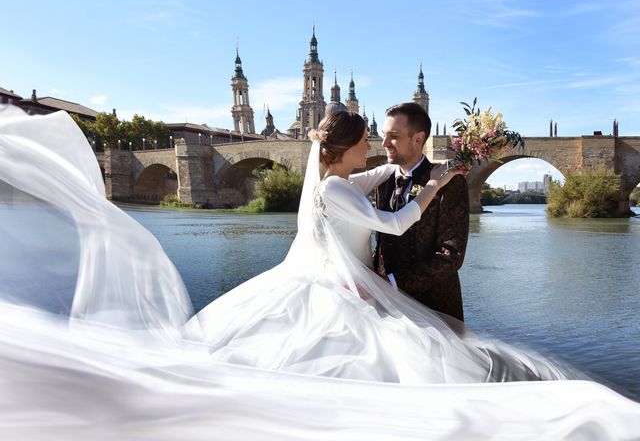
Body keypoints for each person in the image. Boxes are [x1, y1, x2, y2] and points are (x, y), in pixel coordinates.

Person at [1, 105, 640, 440]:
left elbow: (382, 178)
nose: (382, 148)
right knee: (366, 383)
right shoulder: (335, 191)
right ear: (354, 143)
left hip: (380, 295)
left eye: (391, 139)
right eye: (375, 140)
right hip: (354, 296)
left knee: (389, 378)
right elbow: (386, 222)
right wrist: (436, 179)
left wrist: (446, 164)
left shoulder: (346, 178)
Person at [374, 102, 469, 322]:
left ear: (418, 139)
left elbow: (451, 255)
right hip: (386, 309)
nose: (384, 143)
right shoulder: (382, 181)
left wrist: (394, 283)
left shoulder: (448, 181)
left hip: (435, 309)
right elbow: (382, 245)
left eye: (394, 136)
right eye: (384, 135)